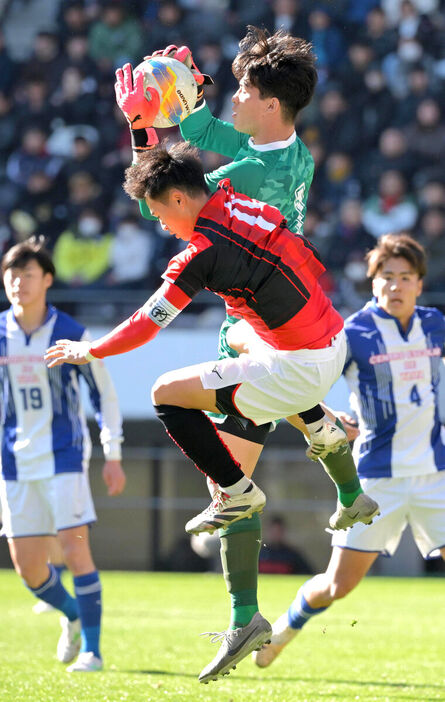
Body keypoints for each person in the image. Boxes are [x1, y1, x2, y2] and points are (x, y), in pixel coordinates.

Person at [45, 143, 379, 683]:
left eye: (159, 213)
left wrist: (91, 350)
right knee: (243, 334)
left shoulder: (199, 250)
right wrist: (141, 139)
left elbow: (146, 324)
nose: (161, 225)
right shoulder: (229, 196)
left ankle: (237, 490)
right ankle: (342, 472)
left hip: (295, 366)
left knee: (164, 392)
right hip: (328, 338)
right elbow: (177, 178)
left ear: (179, 198)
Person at [114, 28, 366, 669]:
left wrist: (147, 123)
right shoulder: (291, 153)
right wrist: (179, 108)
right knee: (241, 467)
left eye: (245, 90)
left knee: (231, 480)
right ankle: (341, 471)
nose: (235, 98)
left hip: (255, 329)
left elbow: (164, 204)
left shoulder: (252, 168)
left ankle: (243, 617)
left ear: (272, 104)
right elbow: (203, 144)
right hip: (288, 321)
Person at [253, 233, 445, 668]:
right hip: (376, 478)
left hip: (437, 473)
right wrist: (328, 418)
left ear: (420, 283)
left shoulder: (435, 324)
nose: (395, 286)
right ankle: (285, 628)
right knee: (338, 586)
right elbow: (302, 381)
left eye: (405, 277)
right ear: (372, 281)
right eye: (387, 277)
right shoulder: (353, 333)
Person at [0, 236, 125, 672]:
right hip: (13, 463)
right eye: (12, 275)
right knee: (29, 570)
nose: (19, 283)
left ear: (48, 279)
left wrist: (113, 454)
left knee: (75, 553)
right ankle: (72, 615)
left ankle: (92, 651)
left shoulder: (72, 334)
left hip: (65, 458)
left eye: (28, 275)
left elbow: (105, 396)